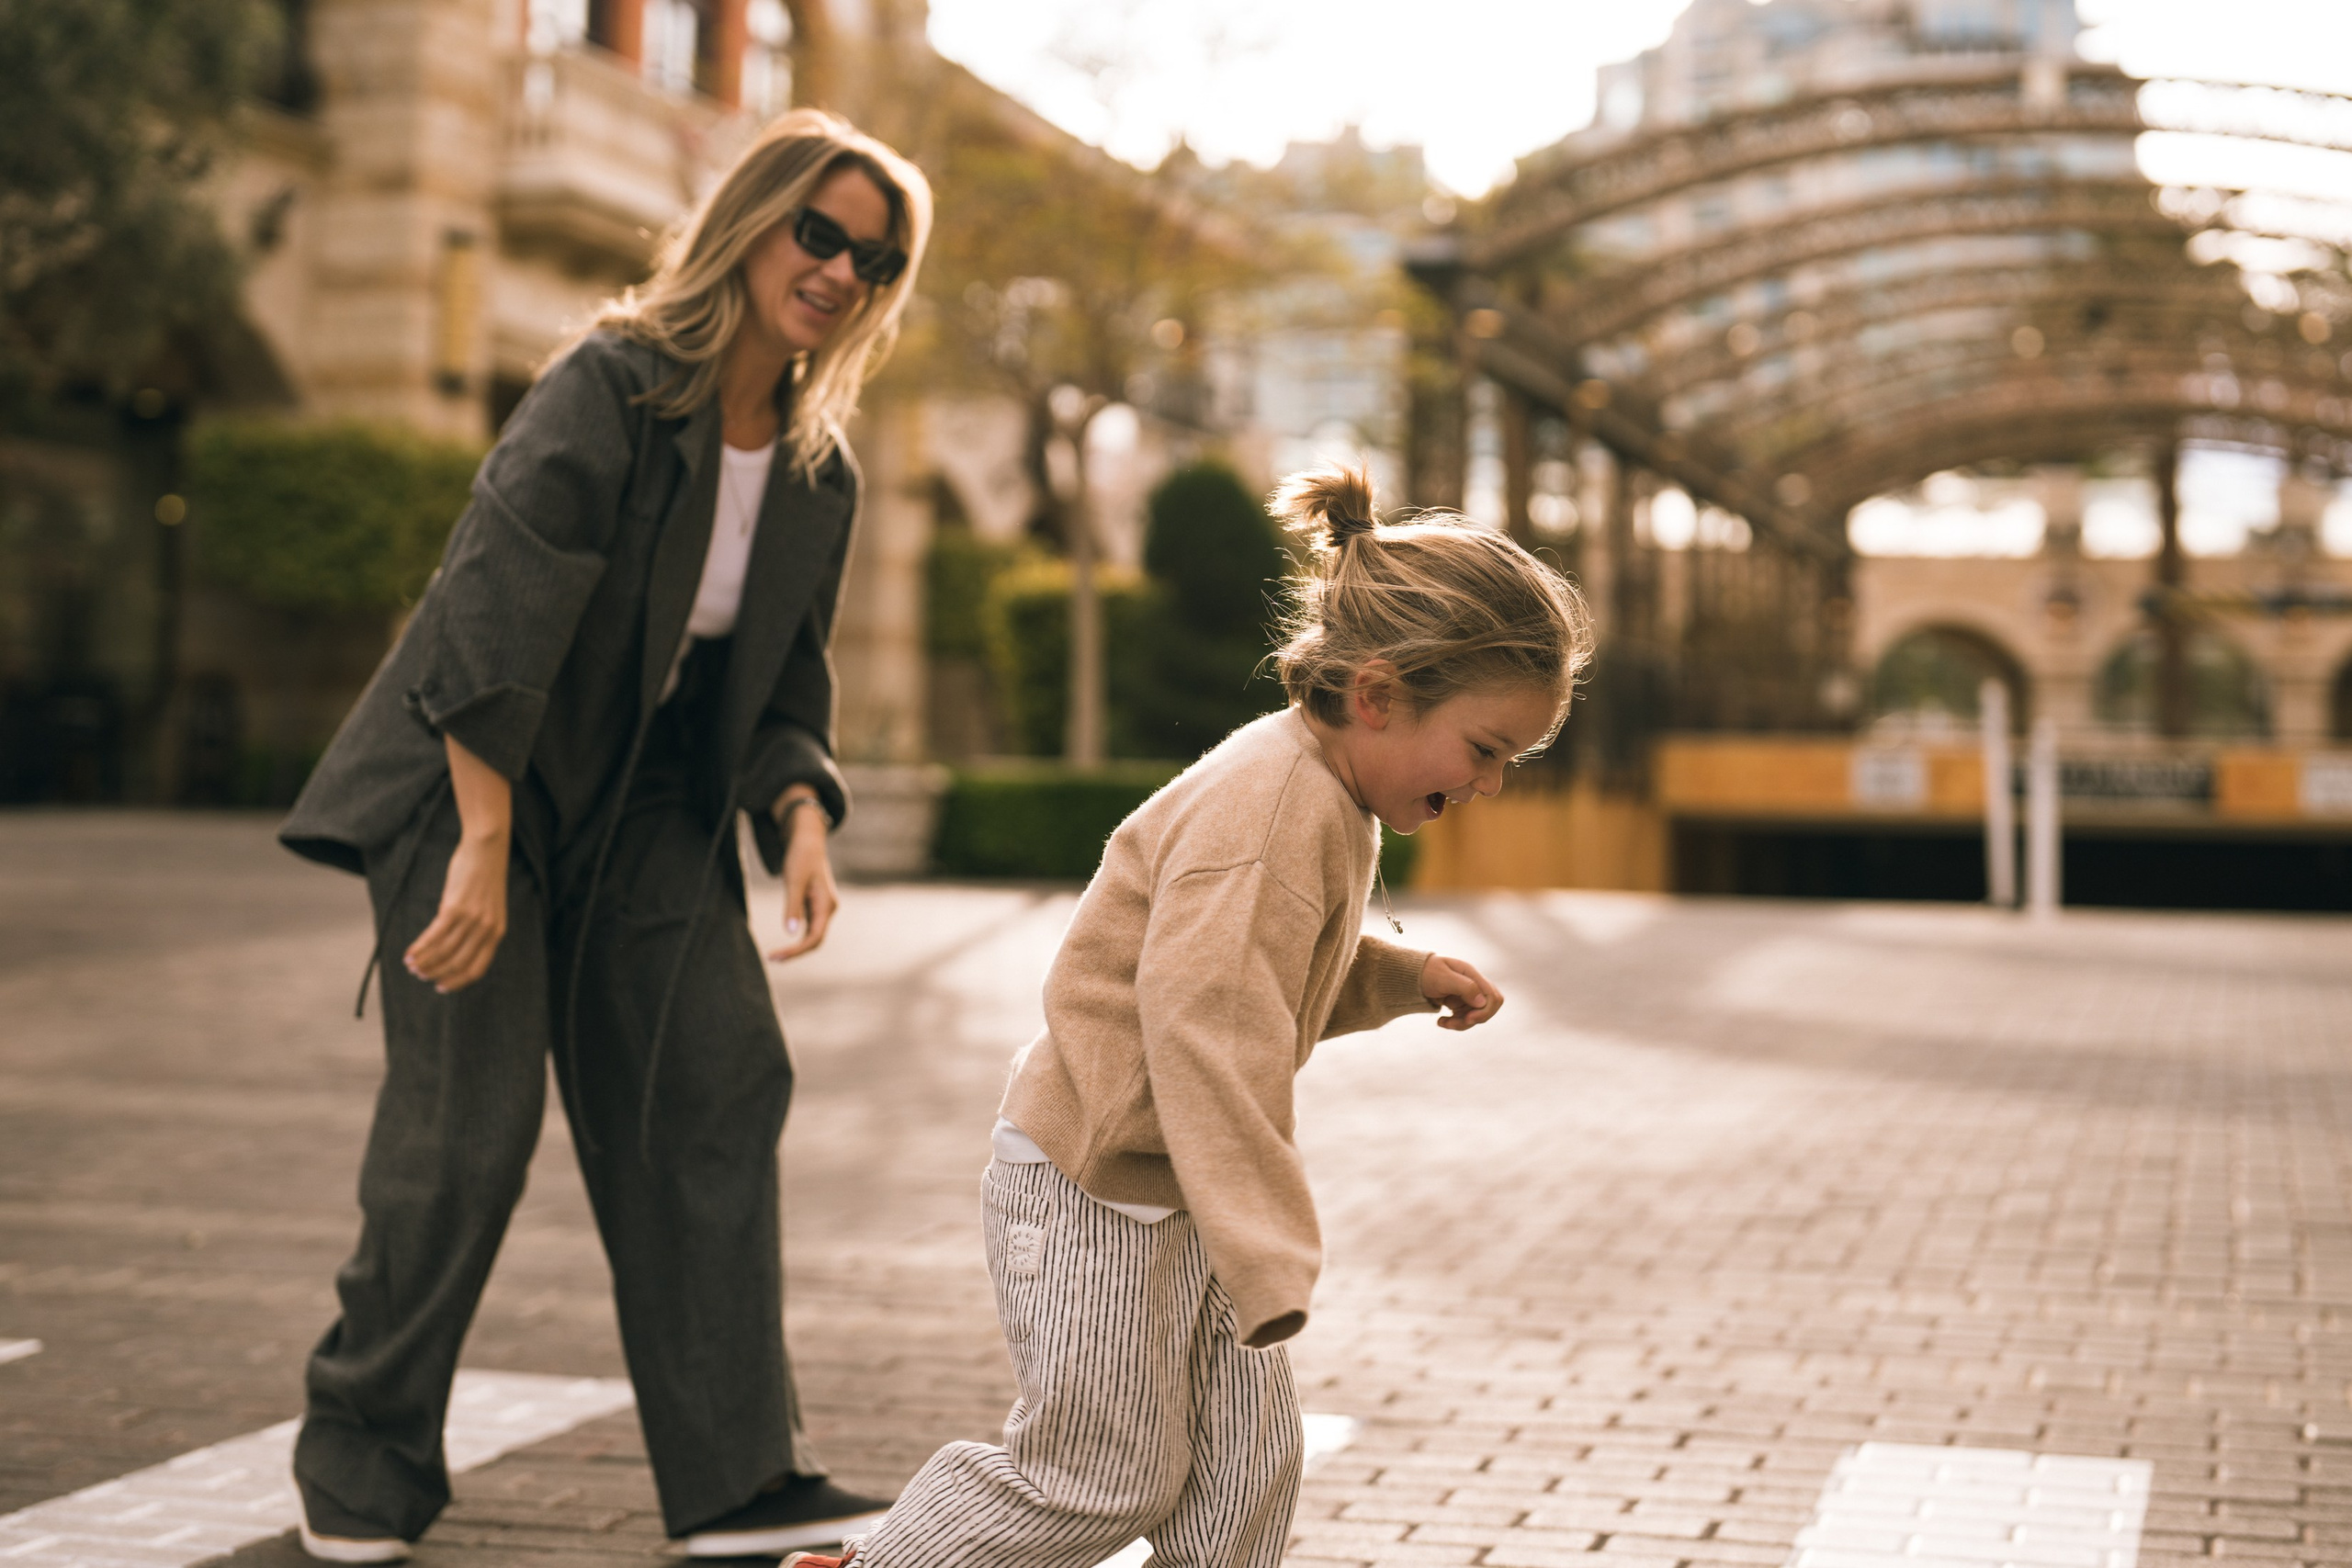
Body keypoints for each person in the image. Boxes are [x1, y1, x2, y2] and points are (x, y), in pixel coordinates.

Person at [274, 109, 933, 1564]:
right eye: (817, 232)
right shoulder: (611, 384)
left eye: (872, 261)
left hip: (646, 816)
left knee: (716, 1083)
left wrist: (801, 813)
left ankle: (738, 1478)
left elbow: (782, 682)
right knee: (470, 1130)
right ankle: (360, 1454)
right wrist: (483, 837)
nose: (838, 270)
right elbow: (489, 609)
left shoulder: (817, 472)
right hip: (471, 785)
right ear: (752, 223)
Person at [797, 467, 1595, 1568]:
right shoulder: (1270, 813)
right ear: (1377, 695)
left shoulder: (1324, 789)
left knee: (1244, 1471)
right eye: (1486, 750)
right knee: (1099, 1477)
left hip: (1181, 1184)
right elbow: (1206, 1027)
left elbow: (1259, 968)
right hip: (1096, 1189)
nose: (1491, 783)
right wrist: (1265, 1248)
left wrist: (1402, 978)